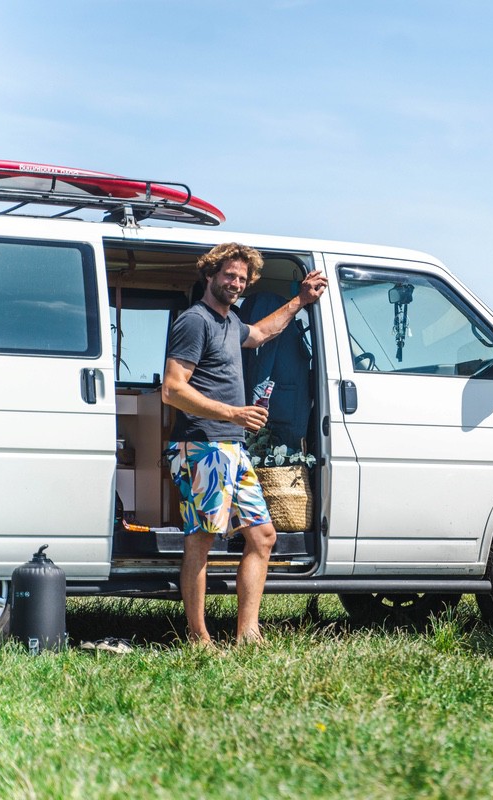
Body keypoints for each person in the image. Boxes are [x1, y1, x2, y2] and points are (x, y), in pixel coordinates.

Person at [162, 242, 328, 647]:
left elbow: (262, 332)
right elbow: (171, 390)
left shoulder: (230, 322)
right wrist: (233, 413)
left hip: (232, 448)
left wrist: (300, 301)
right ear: (210, 275)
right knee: (202, 539)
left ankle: (247, 633)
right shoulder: (195, 321)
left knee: (263, 536)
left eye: (241, 277)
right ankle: (198, 637)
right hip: (202, 447)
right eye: (228, 275)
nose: (235, 283)